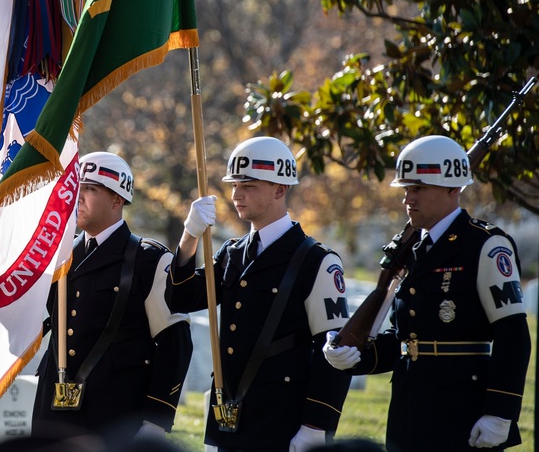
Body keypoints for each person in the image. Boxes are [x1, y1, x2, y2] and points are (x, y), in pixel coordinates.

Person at [323, 135, 531, 451]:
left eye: (419, 188)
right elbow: (407, 341)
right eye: (406, 189)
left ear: (453, 188)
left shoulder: (485, 245)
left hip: (462, 409)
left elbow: (512, 333)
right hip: (408, 406)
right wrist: (354, 356)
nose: (408, 198)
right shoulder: (410, 250)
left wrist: (500, 413)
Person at [167, 136, 351, 452]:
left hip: (280, 419)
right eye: (235, 185)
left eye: (249, 186)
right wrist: (189, 236)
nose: (236, 194)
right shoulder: (232, 253)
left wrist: (315, 427)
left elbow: (333, 351)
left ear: (280, 189)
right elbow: (183, 299)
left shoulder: (316, 261)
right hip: (227, 415)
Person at [31, 151, 194, 440]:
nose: (77, 197)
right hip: (53, 408)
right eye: (76, 189)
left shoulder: (148, 260)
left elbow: (174, 343)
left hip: (115, 413)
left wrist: (155, 420)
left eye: (90, 189)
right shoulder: (58, 253)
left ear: (117, 199)